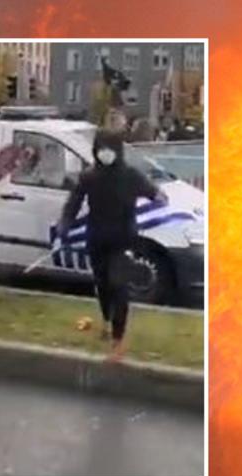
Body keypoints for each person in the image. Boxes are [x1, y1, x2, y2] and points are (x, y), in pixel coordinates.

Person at [59, 130, 166, 360]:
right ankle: (107, 321)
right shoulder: (89, 177)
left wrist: (157, 196)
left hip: (123, 239)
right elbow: (73, 203)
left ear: (118, 150)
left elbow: (156, 194)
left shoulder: (131, 176)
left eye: (109, 148)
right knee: (102, 285)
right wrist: (64, 226)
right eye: (101, 148)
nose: (105, 153)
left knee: (118, 286)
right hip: (97, 238)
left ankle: (118, 340)